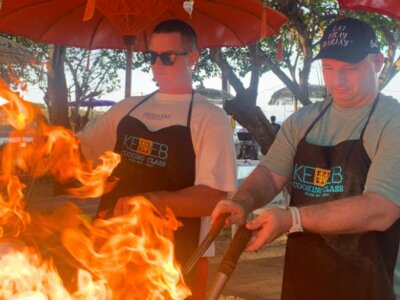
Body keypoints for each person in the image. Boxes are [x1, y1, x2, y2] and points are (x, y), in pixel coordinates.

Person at [211, 18, 400, 299]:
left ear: (378, 62)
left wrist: (292, 219)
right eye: (329, 69)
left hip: (372, 282)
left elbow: (381, 209)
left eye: (350, 69)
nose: (338, 80)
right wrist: (243, 200)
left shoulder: (392, 121)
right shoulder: (303, 121)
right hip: (305, 279)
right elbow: (270, 174)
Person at [78, 19, 237, 299]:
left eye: (168, 57)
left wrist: (154, 201)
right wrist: (46, 142)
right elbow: (81, 150)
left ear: (193, 58)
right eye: (152, 56)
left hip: (174, 257)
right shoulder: (127, 109)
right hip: (112, 248)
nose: (157, 64)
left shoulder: (210, 118)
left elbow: (214, 197)